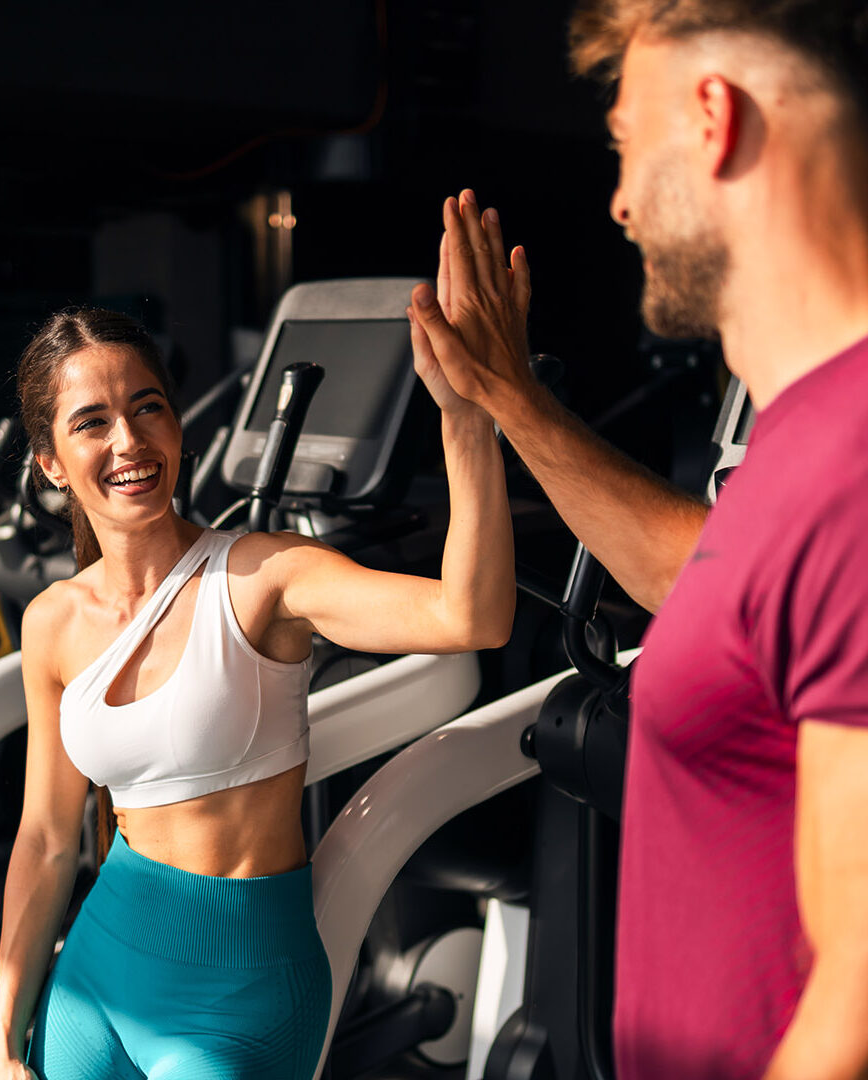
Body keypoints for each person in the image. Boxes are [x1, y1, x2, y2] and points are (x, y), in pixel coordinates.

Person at [407, 2, 868, 1078]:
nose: (616, 203)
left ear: (714, 118)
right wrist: (509, 401)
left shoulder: (850, 459)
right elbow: (719, 600)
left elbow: (854, 1001)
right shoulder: (803, 432)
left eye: (625, 144)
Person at [0, 306, 515, 1080]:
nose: (128, 442)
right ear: (52, 463)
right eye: (91, 422)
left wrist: (468, 416)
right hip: (95, 981)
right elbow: (47, 837)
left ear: (178, 426)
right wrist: (3, 1036)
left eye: (147, 408)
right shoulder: (53, 622)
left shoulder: (266, 577)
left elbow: (473, 615)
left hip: (236, 1001)